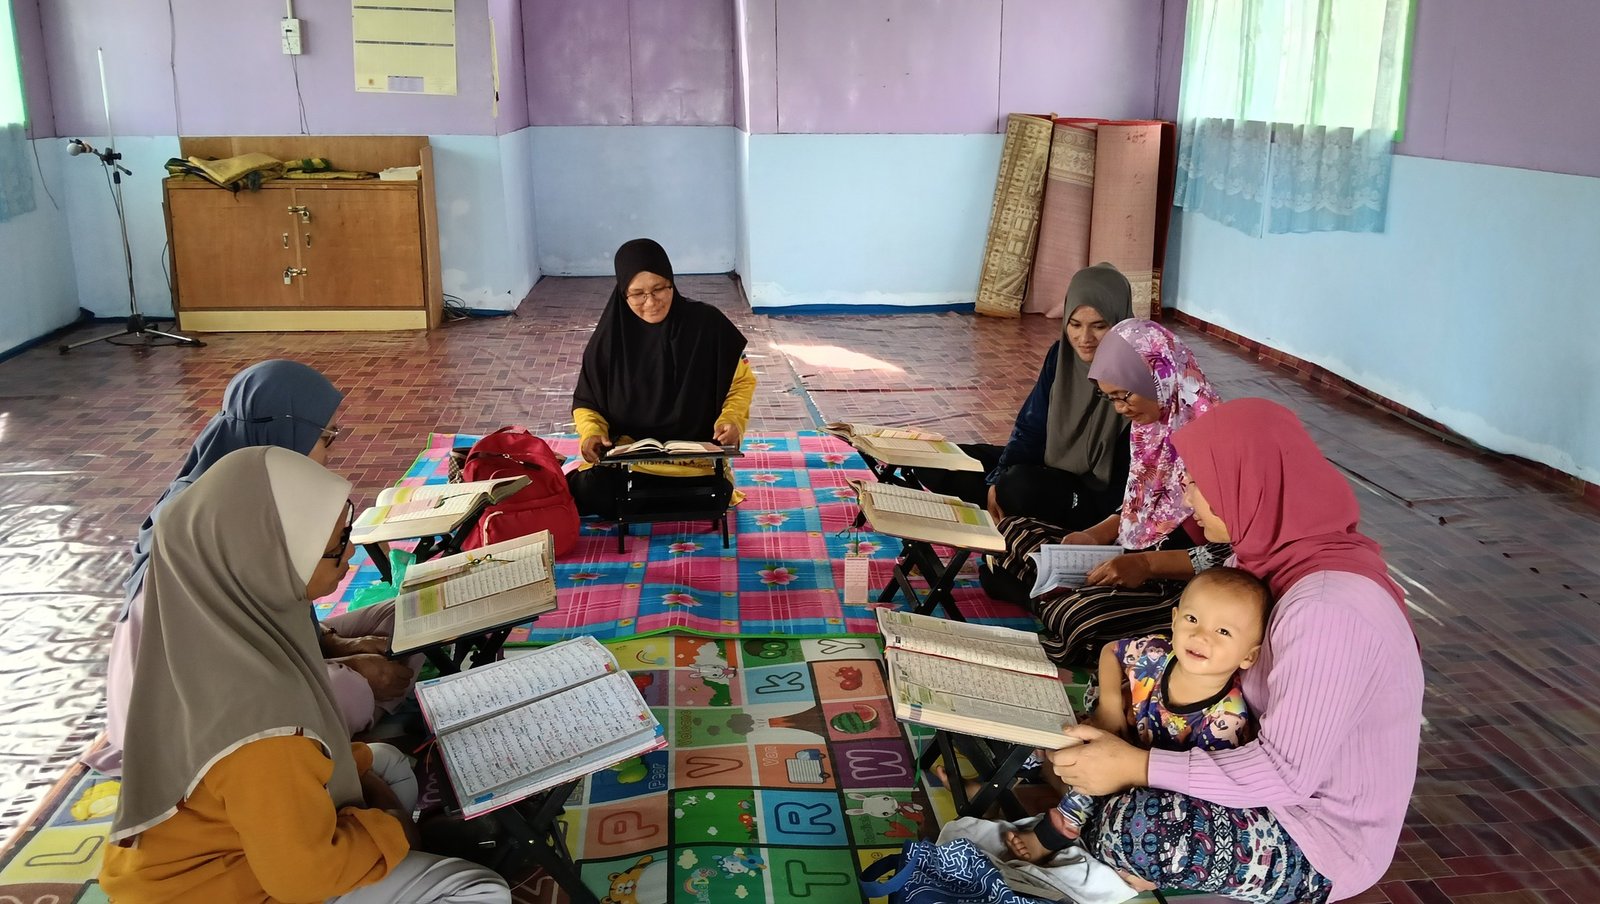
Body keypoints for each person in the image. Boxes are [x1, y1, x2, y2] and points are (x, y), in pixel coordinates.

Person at [1045, 398, 1423, 903]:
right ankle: (1102, 808)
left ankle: (1109, 829)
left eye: (1200, 482)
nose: (1187, 495)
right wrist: (1120, 724)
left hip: (1317, 834)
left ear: (1251, 488)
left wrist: (1136, 766)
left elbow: (1286, 774)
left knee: (1139, 827)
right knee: (1093, 729)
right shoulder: (1265, 560)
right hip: (1242, 764)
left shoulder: (1327, 609)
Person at [100, 446, 511, 903]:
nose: (350, 550)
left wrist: (375, 815)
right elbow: (303, 879)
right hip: (219, 888)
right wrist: (392, 829)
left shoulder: (211, 629)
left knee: (387, 764)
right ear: (269, 556)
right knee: (480, 890)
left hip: (218, 845)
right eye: (336, 542)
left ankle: (391, 862)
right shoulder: (262, 725)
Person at [91, 360, 413, 776]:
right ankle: (340, 732)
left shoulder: (257, 493)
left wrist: (338, 645)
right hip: (186, 707)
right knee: (350, 690)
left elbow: (273, 619)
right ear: (282, 435)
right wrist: (349, 666)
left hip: (249, 659)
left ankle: (347, 721)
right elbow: (225, 664)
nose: (331, 452)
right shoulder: (209, 517)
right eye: (325, 437)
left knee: (406, 617)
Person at [993, 320, 1228, 664]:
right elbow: (1137, 505)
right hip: (1133, 554)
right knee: (1014, 531)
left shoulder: (1216, 440)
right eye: (1111, 398)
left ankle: (1036, 597)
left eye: (1125, 395)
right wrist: (1094, 535)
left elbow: (1223, 555)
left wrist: (1145, 565)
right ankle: (1050, 593)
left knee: (1084, 619)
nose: (1120, 408)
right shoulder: (1148, 430)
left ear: (1159, 376)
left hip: (1183, 582)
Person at [1002, 566, 1268, 864]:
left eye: (1223, 632)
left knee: (1093, 792)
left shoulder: (1227, 720)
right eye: (1192, 619)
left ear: (1249, 656)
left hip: (1150, 780)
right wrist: (1110, 705)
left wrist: (1124, 772)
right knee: (1055, 728)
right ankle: (1004, 779)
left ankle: (1052, 834)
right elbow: (1112, 651)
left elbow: (1196, 785)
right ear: (1175, 619)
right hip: (1116, 734)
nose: (1200, 636)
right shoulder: (1155, 653)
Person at [914, 262, 1133, 529]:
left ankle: (1010, 506)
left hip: (1096, 494)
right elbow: (1031, 427)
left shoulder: (1137, 372)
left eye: (1099, 326)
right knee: (936, 461)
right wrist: (997, 479)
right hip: (1046, 465)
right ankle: (1005, 504)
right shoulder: (1061, 356)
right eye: (1075, 324)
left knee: (1019, 487)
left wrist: (1007, 483)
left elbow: (1129, 478)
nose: (1084, 338)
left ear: (1120, 322)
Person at [567, 238, 755, 519]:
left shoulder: (708, 326)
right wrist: (591, 434)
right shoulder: (609, 342)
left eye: (659, 289)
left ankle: (645, 503)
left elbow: (740, 382)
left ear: (672, 283)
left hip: (696, 465)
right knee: (592, 489)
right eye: (637, 294)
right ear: (623, 294)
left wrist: (731, 420)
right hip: (631, 463)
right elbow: (588, 402)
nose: (651, 302)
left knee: (713, 494)